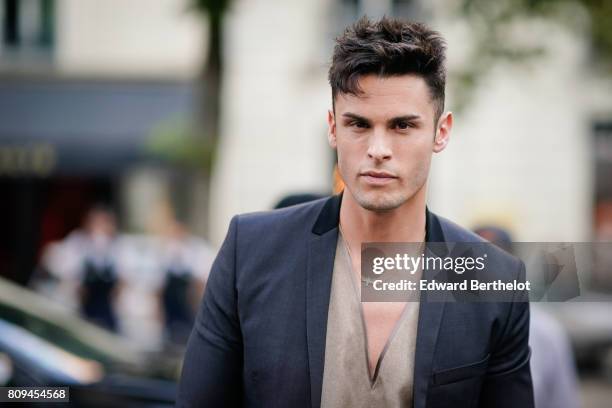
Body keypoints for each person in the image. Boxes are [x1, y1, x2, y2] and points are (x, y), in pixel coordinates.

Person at [178, 16, 534, 407]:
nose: (378, 149)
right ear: (333, 128)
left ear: (441, 132)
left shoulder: (494, 279)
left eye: (402, 126)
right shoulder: (251, 251)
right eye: (359, 124)